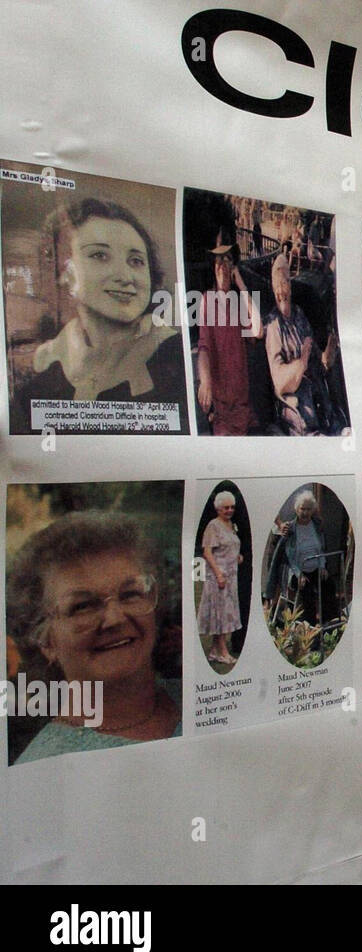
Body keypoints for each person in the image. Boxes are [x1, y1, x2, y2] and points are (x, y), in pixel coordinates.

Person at [8, 512, 181, 762]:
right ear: (45, 640)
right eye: (83, 606)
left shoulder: (192, 697)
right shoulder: (47, 763)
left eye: (130, 594)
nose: (115, 619)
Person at [11, 198, 185, 435]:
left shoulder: (177, 359)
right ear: (63, 272)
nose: (125, 276)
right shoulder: (38, 384)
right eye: (100, 256)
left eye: (136, 261)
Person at [265, 254, 346, 435]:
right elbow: (280, 383)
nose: (281, 290)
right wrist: (300, 363)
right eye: (277, 284)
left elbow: (319, 361)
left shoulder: (299, 314)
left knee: (342, 428)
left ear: (291, 286)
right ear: (272, 288)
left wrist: (328, 354)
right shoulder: (273, 325)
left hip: (318, 398)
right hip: (296, 408)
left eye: (285, 282)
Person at [195, 228, 259, 435]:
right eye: (218, 261)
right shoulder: (207, 300)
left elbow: (258, 331)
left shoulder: (239, 303)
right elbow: (203, 346)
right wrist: (205, 381)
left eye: (227, 260)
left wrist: (241, 283)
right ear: (213, 268)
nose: (222, 266)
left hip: (242, 405)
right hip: (222, 407)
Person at [265, 490, 333, 639]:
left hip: (315, 567)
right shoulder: (291, 528)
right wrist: (298, 574)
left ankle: (329, 624)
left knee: (329, 584)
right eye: (302, 509)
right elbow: (290, 556)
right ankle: (310, 632)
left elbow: (321, 548)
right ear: (297, 509)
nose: (305, 512)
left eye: (309, 509)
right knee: (306, 590)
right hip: (297, 570)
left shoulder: (316, 526)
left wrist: (322, 566)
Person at [198, 490, 244, 668]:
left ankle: (215, 651)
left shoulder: (231, 524)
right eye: (226, 508)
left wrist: (238, 556)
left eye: (232, 507)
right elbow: (207, 551)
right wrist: (218, 574)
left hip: (231, 575)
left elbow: (230, 546)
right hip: (218, 576)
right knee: (221, 613)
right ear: (218, 509)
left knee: (225, 613)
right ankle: (223, 652)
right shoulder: (213, 525)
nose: (230, 510)